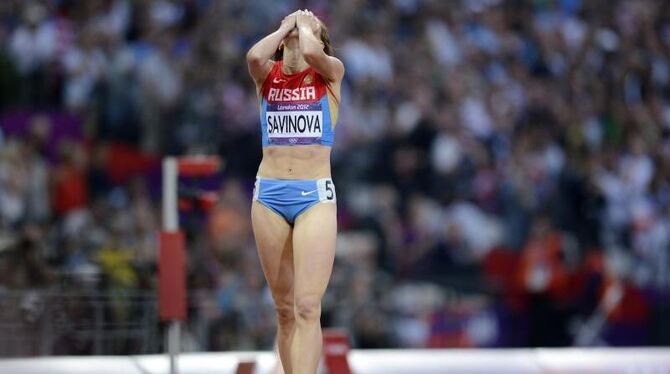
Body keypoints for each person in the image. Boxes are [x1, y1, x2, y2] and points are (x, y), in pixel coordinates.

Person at [246, 9, 344, 374]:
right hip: (269, 195)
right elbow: (254, 56)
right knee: (284, 309)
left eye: (310, 26)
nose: (301, 24)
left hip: (314, 197)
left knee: (307, 306)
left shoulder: (329, 72)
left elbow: (315, 54)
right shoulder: (267, 74)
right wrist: (287, 26)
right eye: (294, 25)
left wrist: (306, 26)